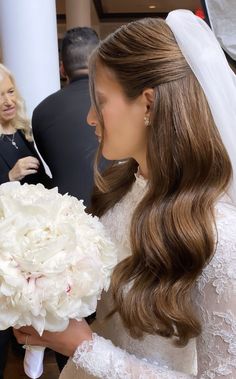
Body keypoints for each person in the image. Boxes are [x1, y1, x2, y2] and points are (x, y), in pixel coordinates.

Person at [14, 10, 236, 379]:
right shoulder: (120, 189)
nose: (89, 117)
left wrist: (84, 348)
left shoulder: (221, 236)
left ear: (148, 104)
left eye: (99, 101)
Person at [0, 63, 52, 379]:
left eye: (9, 91)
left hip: (29, 239)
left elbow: (40, 181)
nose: (7, 100)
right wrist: (10, 176)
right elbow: (16, 179)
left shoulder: (21, 131)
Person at [32, 27, 100, 208]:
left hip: (66, 217)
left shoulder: (41, 112)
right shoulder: (120, 104)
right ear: (101, 63)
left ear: (62, 68)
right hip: (116, 207)